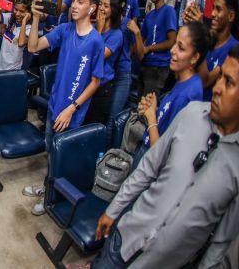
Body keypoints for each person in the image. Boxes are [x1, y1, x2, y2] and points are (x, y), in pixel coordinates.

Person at [91, 45, 239, 269]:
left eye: (229, 82)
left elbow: (222, 242)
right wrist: (113, 209)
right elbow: (148, 168)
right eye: (220, 78)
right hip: (127, 236)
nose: (217, 89)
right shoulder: (192, 114)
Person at [26, 0, 104, 216]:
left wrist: (73, 108)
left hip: (73, 112)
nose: (74, 5)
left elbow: (95, 82)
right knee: (50, 151)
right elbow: (32, 46)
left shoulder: (96, 41)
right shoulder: (65, 29)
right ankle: (46, 188)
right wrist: (36, 20)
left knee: (62, 158)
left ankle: (53, 199)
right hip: (55, 105)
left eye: (80, 2)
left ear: (92, 7)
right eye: (74, 1)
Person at [137, 22, 210, 156]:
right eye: (175, 43)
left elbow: (161, 154)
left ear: (194, 57)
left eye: (181, 48)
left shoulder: (188, 94)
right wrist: (155, 108)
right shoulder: (185, 82)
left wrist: (151, 117)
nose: (172, 50)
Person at [83, 0, 126, 134]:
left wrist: (100, 30)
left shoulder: (116, 34)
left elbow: (97, 56)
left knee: (94, 127)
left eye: (106, 6)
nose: (101, 8)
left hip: (103, 86)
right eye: (100, 4)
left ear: (113, 10)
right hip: (88, 83)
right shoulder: (94, 28)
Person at [128, 0, 178, 97]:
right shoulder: (149, 16)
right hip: (145, 64)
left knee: (147, 107)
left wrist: (149, 48)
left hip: (159, 66)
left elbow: (171, 42)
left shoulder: (169, 11)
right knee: (140, 103)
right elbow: (141, 40)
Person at [0, 0, 32, 72]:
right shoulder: (10, 18)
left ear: (29, 13)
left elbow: (21, 43)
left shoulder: (30, 28)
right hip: (1, 66)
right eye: (16, 9)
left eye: (22, 11)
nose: (17, 14)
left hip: (15, 70)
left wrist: (24, 22)